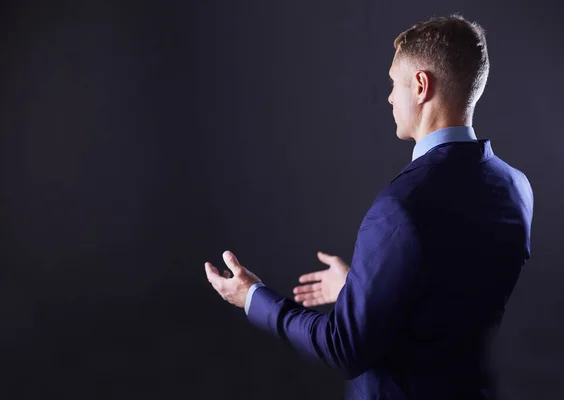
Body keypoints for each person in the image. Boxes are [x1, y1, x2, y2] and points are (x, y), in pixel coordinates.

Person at [205, 13, 533, 400]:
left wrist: (252, 298)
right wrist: (357, 289)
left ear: (421, 86)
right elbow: (445, 301)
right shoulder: (516, 188)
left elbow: (342, 348)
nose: (391, 96)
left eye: (394, 83)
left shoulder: (402, 206)